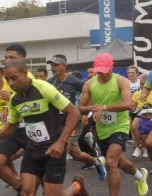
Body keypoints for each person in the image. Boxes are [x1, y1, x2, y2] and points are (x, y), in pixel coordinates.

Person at [0, 60, 88, 196]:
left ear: (25, 74)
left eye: (14, 78)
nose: (11, 83)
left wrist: (61, 142)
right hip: (33, 150)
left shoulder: (43, 88)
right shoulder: (14, 99)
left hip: (54, 151)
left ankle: (77, 186)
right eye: (7, 79)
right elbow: (13, 124)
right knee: (26, 192)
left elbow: (74, 112)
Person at [79, 53, 148, 196]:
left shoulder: (120, 80)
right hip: (102, 129)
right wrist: (91, 108)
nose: (102, 75)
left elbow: (129, 104)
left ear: (112, 66)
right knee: (120, 162)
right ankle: (141, 176)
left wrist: (104, 108)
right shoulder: (89, 84)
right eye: (99, 71)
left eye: (105, 71)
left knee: (110, 162)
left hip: (120, 126)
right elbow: (80, 107)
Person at [47, 54, 106, 179]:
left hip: (73, 119)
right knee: (76, 154)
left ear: (64, 66)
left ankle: (55, 178)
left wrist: (85, 114)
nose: (53, 68)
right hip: (57, 121)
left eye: (56, 65)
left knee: (63, 146)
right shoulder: (49, 83)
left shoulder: (75, 81)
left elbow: (88, 96)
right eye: (51, 65)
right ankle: (97, 162)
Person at [0, 44, 32, 194]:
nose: (7, 60)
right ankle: (20, 187)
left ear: (23, 59)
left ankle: (76, 187)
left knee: (51, 189)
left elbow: (28, 102)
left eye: (12, 57)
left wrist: (11, 99)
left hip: (32, 131)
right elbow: (10, 107)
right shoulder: (6, 80)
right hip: (14, 128)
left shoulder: (32, 79)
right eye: (6, 57)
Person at [131, 74, 149, 158]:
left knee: (145, 134)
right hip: (141, 113)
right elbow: (133, 108)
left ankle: (146, 148)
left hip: (150, 114)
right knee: (134, 126)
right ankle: (138, 147)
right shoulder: (136, 94)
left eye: (143, 84)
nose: (142, 86)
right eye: (140, 84)